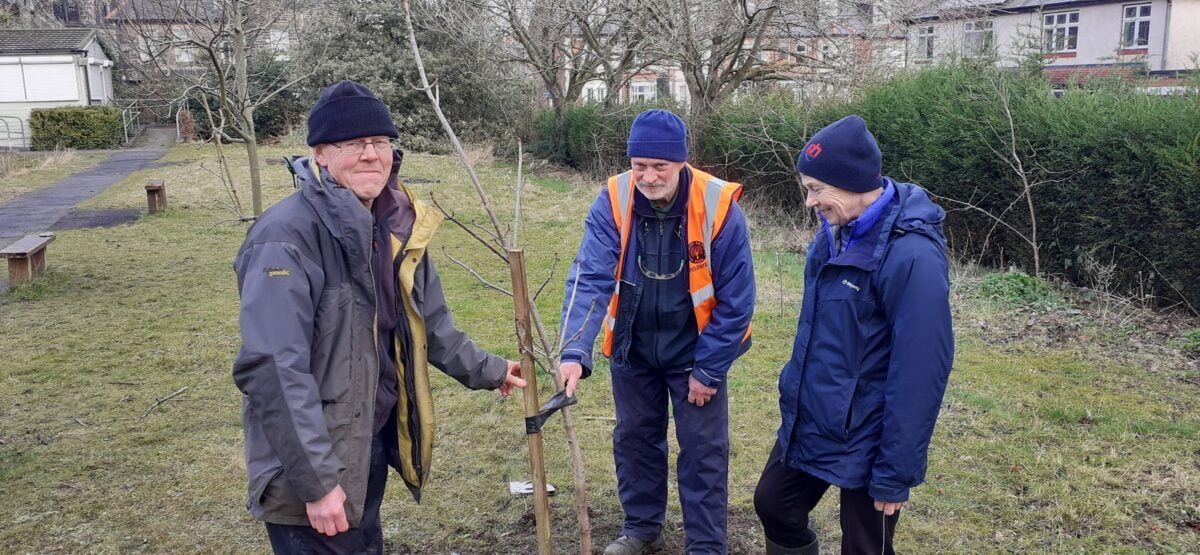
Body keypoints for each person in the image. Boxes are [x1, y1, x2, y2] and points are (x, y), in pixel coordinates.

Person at [231, 80, 525, 554]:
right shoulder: (285, 238)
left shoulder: (393, 225)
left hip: (365, 438)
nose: (371, 155)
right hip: (314, 459)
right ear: (320, 155)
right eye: (353, 144)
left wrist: (491, 369)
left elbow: (427, 323)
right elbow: (273, 369)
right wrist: (318, 484)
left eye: (380, 142)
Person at [753, 115, 954, 554]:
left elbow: (920, 373)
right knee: (774, 505)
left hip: (873, 436)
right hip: (817, 417)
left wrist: (895, 472)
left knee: (865, 547)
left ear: (855, 183)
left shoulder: (912, 256)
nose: (809, 202)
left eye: (816, 189)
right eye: (807, 187)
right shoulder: (831, 237)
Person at [557, 109, 755, 555]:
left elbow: (737, 300)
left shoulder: (719, 206)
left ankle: (706, 544)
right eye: (639, 165)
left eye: (659, 166)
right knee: (635, 439)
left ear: (681, 162)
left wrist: (708, 370)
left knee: (704, 451)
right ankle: (643, 529)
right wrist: (574, 350)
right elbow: (589, 276)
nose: (647, 177)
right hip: (633, 347)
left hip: (695, 350)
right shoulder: (612, 198)